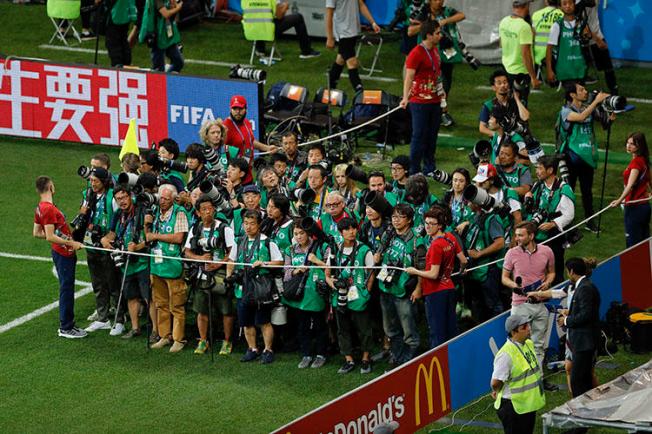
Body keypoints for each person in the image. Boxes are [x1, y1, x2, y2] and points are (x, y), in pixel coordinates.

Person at [33, 176, 87, 339]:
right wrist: (70, 243)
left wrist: (61, 237)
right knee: (66, 288)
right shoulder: (49, 209)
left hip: (60, 252)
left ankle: (67, 325)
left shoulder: (40, 208)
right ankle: (66, 327)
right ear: (50, 187)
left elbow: (37, 233)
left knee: (66, 287)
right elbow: (48, 236)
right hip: (64, 254)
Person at [227, 210, 284, 364]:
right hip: (242, 288)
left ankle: (268, 349)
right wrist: (229, 275)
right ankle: (252, 349)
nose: (248, 227)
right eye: (246, 223)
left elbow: (280, 262)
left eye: (252, 223)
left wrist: (263, 263)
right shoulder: (238, 241)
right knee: (246, 322)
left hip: (261, 288)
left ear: (259, 225)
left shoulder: (267, 242)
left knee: (264, 321)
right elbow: (231, 261)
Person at [406, 207, 466, 348]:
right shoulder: (450, 238)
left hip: (435, 292)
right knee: (451, 327)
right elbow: (463, 260)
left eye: (432, 223)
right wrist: (462, 271)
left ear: (440, 225)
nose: (427, 226)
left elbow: (433, 274)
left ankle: (439, 361)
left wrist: (415, 271)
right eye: (426, 223)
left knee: (437, 331)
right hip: (449, 287)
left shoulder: (435, 246)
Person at [557, 82, 612, 233]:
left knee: (587, 191)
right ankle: (567, 222)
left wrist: (610, 115)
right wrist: (596, 101)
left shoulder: (588, 109)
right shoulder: (565, 111)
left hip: (587, 155)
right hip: (571, 156)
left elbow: (605, 124)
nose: (585, 92)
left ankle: (589, 221)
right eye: (581, 90)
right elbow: (581, 117)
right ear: (572, 95)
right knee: (569, 190)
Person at [184, 195, 235, 355]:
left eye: (210, 209)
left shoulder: (224, 228)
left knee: (226, 309)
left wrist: (219, 263)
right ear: (198, 213)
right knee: (201, 309)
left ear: (214, 209)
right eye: (204, 209)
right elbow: (187, 252)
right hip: (202, 272)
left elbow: (233, 252)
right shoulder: (195, 228)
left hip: (220, 272)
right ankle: (203, 340)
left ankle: (227, 341)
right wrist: (200, 258)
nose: (207, 212)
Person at [375, 204, 425, 366]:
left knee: (408, 325)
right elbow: (379, 254)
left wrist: (418, 289)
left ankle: (411, 352)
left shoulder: (417, 241)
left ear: (409, 220)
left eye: (400, 217)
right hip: (385, 286)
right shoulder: (388, 235)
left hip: (404, 290)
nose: (396, 220)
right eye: (394, 217)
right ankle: (396, 353)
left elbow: (422, 269)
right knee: (389, 326)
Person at [502, 221, 555, 372]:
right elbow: (504, 278)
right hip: (520, 305)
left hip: (540, 304)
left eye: (520, 235)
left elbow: (551, 272)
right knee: (518, 344)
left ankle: (537, 378)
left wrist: (548, 282)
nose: (517, 238)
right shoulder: (511, 253)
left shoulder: (547, 251)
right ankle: (520, 376)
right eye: (516, 235)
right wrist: (515, 286)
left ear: (531, 236)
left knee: (538, 345)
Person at [100, 185, 153, 338]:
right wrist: (105, 239)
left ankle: (156, 331)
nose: (122, 202)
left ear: (130, 196)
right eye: (118, 199)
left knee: (148, 297)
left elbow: (149, 237)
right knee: (130, 296)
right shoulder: (118, 214)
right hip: (127, 264)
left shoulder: (142, 211)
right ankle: (135, 328)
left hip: (142, 261)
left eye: (124, 197)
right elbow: (112, 233)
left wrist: (137, 247)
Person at [325, 217, 375, 374]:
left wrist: (366, 291)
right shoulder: (335, 250)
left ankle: (366, 359)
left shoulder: (364, 249)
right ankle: (349, 359)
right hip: (339, 296)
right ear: (341, 232)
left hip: (358, 296)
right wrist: (333, 284)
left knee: (364, 329)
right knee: (342, 329)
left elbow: (371, 272)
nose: (351, 232)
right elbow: (327, 273)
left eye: (354, 228)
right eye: (347, 229)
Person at [144, 184, 188, 352]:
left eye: (166, 199)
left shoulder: (180, 212)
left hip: (173, 265)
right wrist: (146, 225)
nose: (162, 202)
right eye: (160, 198)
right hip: (157, 265)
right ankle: (164, 336)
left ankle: (179, 339)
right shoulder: (154, 211)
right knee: (161, 304)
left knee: (176, 305)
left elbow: (178, 238)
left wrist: (155, 235)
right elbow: (147, 237)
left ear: (173, 199)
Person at [407, 0, 465, 127]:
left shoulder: (446, 11)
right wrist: (427, 26)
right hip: (426, 55)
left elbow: (462, 15)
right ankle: (424, 111)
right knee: (425, 84)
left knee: (444, 84)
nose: (439, 2)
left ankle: (441, 112)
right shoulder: (423, 12)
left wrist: (444, 21)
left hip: (444, 54)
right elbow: (410, 31)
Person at [81, 168, 124, 334]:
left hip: (107, 246)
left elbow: (119, 219)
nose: (92, 184)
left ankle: (120, 319)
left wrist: (109, 237)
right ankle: (102, 318)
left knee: (113, 284)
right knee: (98, 283)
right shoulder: (88, 195)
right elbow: (82, 215)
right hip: (91, 244)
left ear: (104, 182)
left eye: (95, 181)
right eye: (91, 181)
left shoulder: (112, 197)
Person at [282, 223, 329, 369]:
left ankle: (321, 354)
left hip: (316, 293)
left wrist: (317, 261)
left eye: (301, 233)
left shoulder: (322, 247)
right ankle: (306, 354)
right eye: (295, 234)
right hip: (299, 295)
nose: (298, 237)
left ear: (308, 233)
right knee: (302, 326)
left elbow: (331, 268)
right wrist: (297, 270)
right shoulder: (290, 250)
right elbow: (286, 273)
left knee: (320, 325)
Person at [400, 19, 443, 175]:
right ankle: (414, 169)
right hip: (419, 102)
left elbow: (437, 74)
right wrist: (405, 98)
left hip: (435, 100)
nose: (440, 36)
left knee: (432, 135)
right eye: (437, 33)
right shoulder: (416, 53)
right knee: (419, 135)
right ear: (429, 35)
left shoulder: (435, 51)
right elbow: (409, 77)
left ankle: (430, 166)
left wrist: (442, 94)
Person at [491, 315, 546, 434]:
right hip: (512, 407)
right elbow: (495, 382)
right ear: (513, 331)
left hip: (526, 405)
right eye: (524, 327)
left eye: (528, 325)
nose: (529, 328)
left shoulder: (528, 344)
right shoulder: (505, 354)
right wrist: (497, 390)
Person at [557, 258, 601, 405]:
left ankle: (581, 419)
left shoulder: (584, 288)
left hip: (584, 343)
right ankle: (591, 411)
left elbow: (586, 315)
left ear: (571, 271)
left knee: (577, 381)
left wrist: (566, 321)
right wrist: (570, 312)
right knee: (584, 378)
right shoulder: (582, 286)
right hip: (582, 342)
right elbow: (584, 311)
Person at [525, 155, 575, 284]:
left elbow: (569, 215)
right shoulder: (538, 185)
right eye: (536, 168)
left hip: (553, 237)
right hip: (536, 234)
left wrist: (552, 224)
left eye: (540, 168)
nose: (536, 171)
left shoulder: (563, 189)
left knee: (555, 269)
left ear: (550, 170)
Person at [325, 0, 381, 93]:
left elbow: (361, 4)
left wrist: (373, 23)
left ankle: (330, 88)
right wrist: (330, 37)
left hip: (353, 30)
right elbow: (329, 14)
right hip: (343, 32)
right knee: (352, 62)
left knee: (341, 59)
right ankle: (359, 91)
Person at [223, 95, 277, 185]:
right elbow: (222, 151)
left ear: (245, 109)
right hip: (236, 179)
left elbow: (250, 141)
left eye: (240, 109)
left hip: (248, 173)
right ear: (230, 109)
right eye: (234, 109)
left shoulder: (247, 123)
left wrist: (267, 148)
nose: (237, 112)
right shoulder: (226, 127)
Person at [611, 132, 651, 247]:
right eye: (628, 143)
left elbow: (630, 185)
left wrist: (619, 201)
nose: (628, 146)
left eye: (632, 144)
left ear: (639, 146)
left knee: (633, 245)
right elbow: (649, 180)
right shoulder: (644, 160)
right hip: (645, 206)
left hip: (634, 208)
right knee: (644, 242)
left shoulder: (636, 163)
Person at [498, 0, 541, 104]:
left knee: (508, 101)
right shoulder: (524, 26)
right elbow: (525, 54)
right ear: (526, 6)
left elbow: (500, 43)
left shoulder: (504, 21)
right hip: (520, 71)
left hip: (507, 67)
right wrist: (533, 77)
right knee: (521, 104)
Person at [254, 0, 320, 59]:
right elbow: (279, 16)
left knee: (259, 20)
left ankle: (260, 49)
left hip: (252, 31)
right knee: (298, 18)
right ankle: (306, 51)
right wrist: (285, 6)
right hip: (269, 30)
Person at [545, 0, 587, 86]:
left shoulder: (581, 23)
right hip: (565, 69)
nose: (568, 6)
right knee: (571, 96)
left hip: (580, 67)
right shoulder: (557, 25)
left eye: (570, 3)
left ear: (574, 5)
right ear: (560, 7)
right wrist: (549, 70)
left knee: (581, 95)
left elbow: (587, 40)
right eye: (564, 4)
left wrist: (586, 34)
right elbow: (549, 49)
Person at [479, 70, 530, 140]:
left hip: (517, 139)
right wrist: (498, 135)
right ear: (493, 87)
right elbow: (482, 128)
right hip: (500, 141)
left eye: (505, 82)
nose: (503, 85)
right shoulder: (488, 105)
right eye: (499, 83)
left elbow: (525, 117)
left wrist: (517, 99)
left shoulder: (516, 102)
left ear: (508, 85)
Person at [139, 0, 184, 73]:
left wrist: (173, 6)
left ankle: (167, 79)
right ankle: (160, 81)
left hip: (167, 34)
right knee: (158, 70)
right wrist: (178, 8)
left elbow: (172, 15)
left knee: (178, 63)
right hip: (157, 36)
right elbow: (165, 14)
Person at [101, 0, 136, 67]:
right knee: (123, 40)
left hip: (115, 14)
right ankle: (126, 63)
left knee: (113, 42)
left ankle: (117, 64)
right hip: (125, 14)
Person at [531, 0, 562, 71]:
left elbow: (533, 35)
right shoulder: (562, 14)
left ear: (546, 1)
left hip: (539, 55)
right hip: (557, 54)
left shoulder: (536, 14)